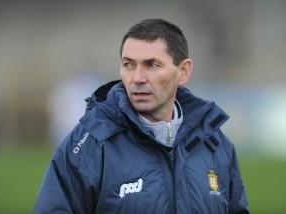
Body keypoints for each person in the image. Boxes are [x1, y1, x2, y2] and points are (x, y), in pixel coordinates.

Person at [34, 18, 249, 213]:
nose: (137, 78)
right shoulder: (90, 142)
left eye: (152, 65)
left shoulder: (216, 144)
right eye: (129, 65)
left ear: (183, 72)